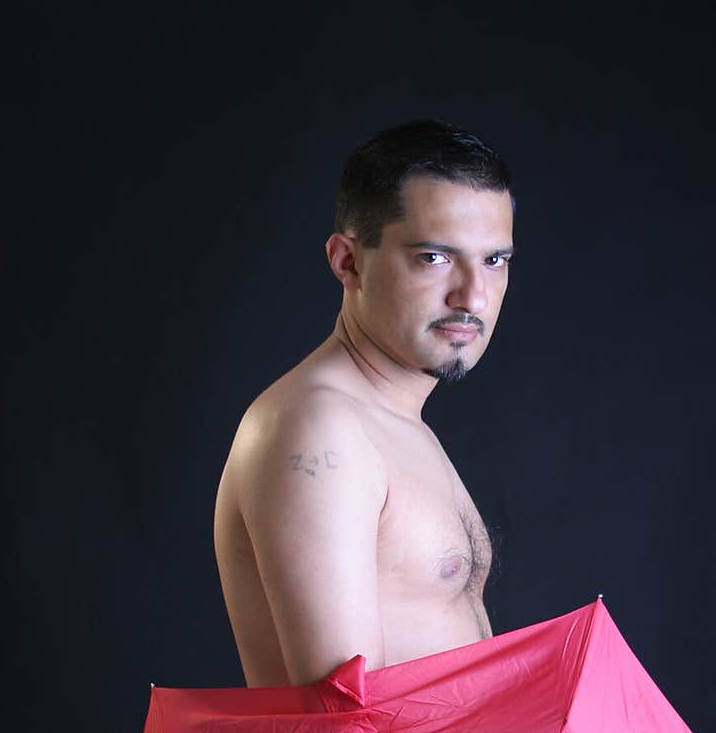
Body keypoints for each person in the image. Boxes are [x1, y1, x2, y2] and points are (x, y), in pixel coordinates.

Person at [214, 118, 516, 687]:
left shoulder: (391, 419)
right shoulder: (318, 429)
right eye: (434, 257)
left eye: (494, 261)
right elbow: (345, 725)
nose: (473, 295)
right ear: (348, 262)